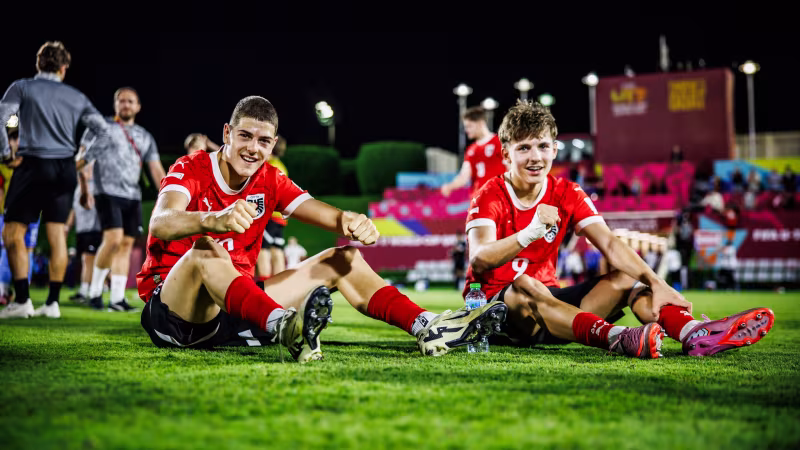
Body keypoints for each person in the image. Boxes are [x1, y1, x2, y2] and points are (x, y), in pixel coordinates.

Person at [136, 96, 507, 362]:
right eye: (245, 136)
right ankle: (284, 325)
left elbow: (324, 214)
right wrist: (212, 219)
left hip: (238, 308)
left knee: (343, 258)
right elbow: (160, 222)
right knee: (207, 247)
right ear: (227, 133)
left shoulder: (270, 178)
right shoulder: (192, 167)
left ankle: (427, 325)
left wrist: (351, 220)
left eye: (264, 141)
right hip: (176, 310)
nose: (253, 148)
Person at [464, 100, 774, 358]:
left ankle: (693, 333)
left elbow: (610, 245)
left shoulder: (567, 192)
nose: (535, 157)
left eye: (543, 146)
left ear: (555, 150)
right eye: (524, 148)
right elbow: (479, 259)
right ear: (506, 155)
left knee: (629, 279)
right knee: (527, 285)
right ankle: (618, 337)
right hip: (497, 312)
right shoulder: (490, 194)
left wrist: (656, 281)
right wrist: (530, 232)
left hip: (553, 308)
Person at [0, 41, 111, 319]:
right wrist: (81, 161)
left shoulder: (22, 86)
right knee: (57, 235)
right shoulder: (76, 96)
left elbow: (2, 117)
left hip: (32, 164)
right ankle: (52, 304)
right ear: (64, 68)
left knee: (13, 233)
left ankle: (23, 301)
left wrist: (4, 152)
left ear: (38, 64)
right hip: (64, 168)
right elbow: (104, 133)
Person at [78, 87, 166, 312]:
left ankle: (117, 298)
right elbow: (83, 156)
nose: (126, 105)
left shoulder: (145, 136)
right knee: (113, 239)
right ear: (115, 104)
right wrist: (85, 188)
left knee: (126, 245)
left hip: (132, 196)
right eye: (121, 101)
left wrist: (169, 195)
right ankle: (95, 292)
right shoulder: (102, 127)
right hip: (106, 191)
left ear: (138, 107)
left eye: (130, 101)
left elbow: (156, 169)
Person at [0, 121, 40, 305]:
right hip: (6, 213)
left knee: (28, 251)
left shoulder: (34, 163)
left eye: (19, 138)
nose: (16, 141)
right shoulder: (3, 163)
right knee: (7, 249)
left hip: (31, 214)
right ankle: (4, 289)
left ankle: (22, 293)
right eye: (13, 138)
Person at [440, 107, 506, 199]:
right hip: (479, 199)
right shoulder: (471, 150)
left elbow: (512, 168)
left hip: (499, 198)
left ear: (481, 123)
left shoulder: (499, 142)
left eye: (469, 126)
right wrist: (450, 186)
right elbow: (464, 176)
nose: (466, 130)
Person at [65, 162, 102, 304]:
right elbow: (75, 209)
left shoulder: (94, 186)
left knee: (89, 259)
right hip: (82, 229)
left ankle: (90, 291)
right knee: (85, 260)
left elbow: (88, 204)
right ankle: (85, 290)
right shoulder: (78, 187)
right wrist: (68, 226)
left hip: (94, 228)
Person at [256, 135, 289, 288]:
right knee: (277, 251)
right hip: (280, 218)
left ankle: (265, 287)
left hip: (269, 215)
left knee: (264, 250)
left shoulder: (269, 167)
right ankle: (281, 286)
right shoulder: (282, 167)